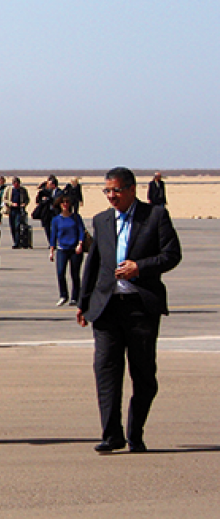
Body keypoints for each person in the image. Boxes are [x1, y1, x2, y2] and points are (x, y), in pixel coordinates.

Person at [77, 167, 182, 453]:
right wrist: (84, 302)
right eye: (107, 191)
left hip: (140, 308)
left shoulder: (155, 216)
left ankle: (136, 432)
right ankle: (112, 435)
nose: (112, 196)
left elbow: (172, 254)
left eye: (117, 190)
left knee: (144, 374)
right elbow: (95, 262)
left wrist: (140, 268)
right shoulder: (102, 221)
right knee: (106, 371)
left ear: (132, 189)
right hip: (107, 308)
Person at [48, 194, 86, 307]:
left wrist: (80, 244)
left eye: (67, 202)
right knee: (60, 273)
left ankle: (75, 297)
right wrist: (51, 250)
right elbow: (53, 235)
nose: (65, 204)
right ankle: (63, 295)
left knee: (75, 274)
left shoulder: (75, 217)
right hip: (62, 249)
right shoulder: (56, 220)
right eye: (62, 202)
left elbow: (81, 231)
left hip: (75, 250)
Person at [3, 177, 29, 249]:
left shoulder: (23, 190)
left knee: (18, 226)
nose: (16, 185)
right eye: (15, 184)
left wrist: (24, 204)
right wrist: (11, 204)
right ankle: (15, 241)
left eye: (17, 184)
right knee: (13, 226)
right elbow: (4, 199)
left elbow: (27, 199)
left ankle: (18, 242)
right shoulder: (9, 190)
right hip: (11, 210)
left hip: (19, 211)